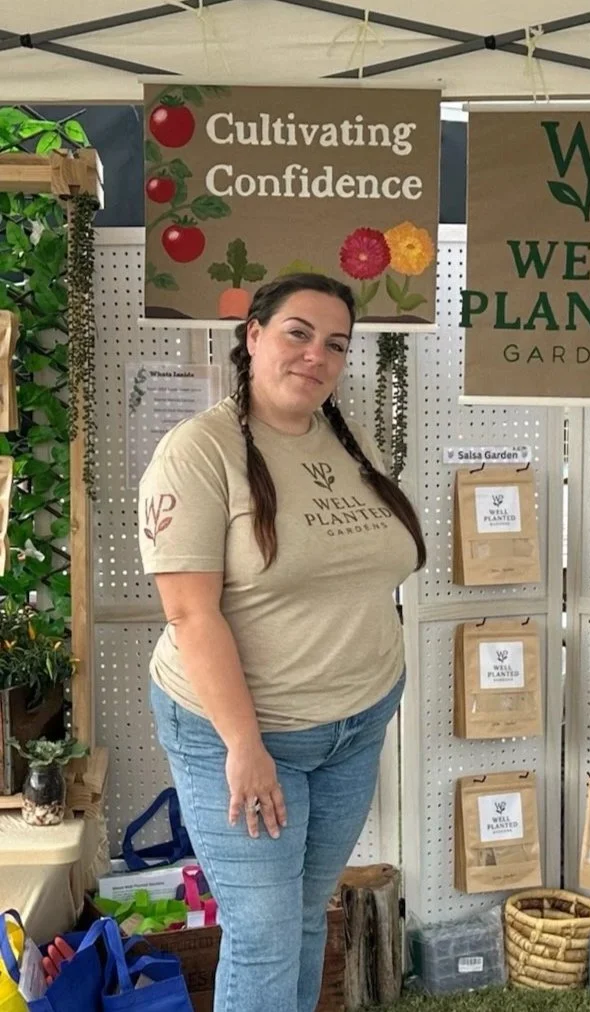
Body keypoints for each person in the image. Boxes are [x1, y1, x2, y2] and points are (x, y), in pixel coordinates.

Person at [137, 273, 427, 1012]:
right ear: (254, 336)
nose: (316, 356)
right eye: (298, 332)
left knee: (303, 915)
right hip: (237, 733)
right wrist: (244, 744)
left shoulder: (342, 435)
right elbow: (190, 615)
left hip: (354, 726)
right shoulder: (197, 452)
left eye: (336, 344)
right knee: (264, 933)